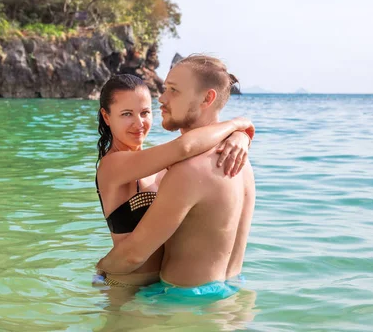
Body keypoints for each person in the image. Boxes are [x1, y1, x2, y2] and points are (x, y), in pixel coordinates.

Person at [97, 55, 256, 301]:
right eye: (126, 114)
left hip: (180, 301)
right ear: (107, 117)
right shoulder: (241, 161)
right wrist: (240, 129)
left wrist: (100, 271)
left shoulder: (187, 169)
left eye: (173, 90)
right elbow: (183, 147)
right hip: (231, 292)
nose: (162, 98)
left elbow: (184, 148)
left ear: (207, 98)